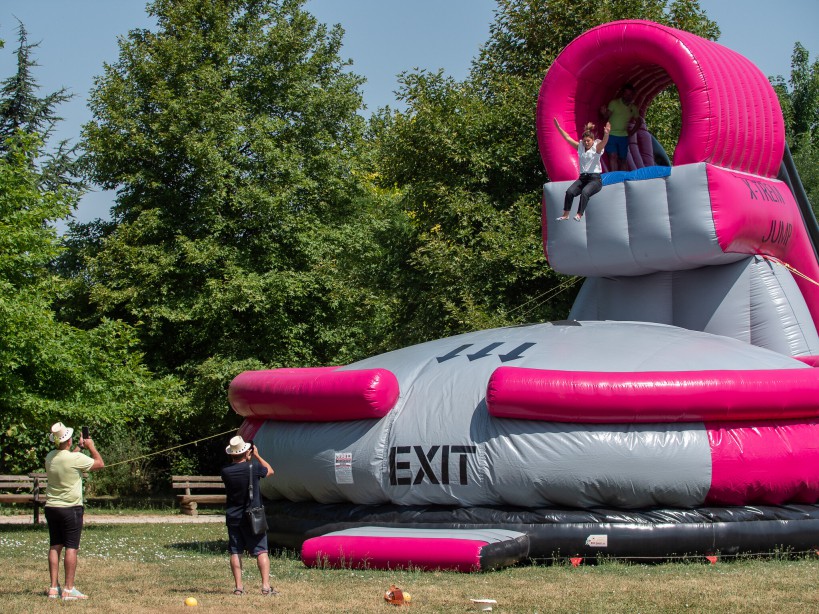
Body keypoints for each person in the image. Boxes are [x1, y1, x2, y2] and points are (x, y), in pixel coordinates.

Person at [44, 422, 105, 601]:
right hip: (71, 508)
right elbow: (99, 464)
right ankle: (69, 590)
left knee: (55, 545)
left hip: (52, 507)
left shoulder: (50, 456)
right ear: (69, 440)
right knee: (71, 547)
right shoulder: (74, 459)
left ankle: (53, 588)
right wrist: (91, 447)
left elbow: (68, 459)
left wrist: (79, 446)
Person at [220, 435, 277, 596]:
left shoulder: (225, 471)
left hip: (233, 516)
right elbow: (270, 471)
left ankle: (239, 587)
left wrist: (247, 457)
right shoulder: (253, 467)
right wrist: (256, 455)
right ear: (246, 453)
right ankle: (265, 587)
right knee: (261, 550)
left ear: (231, 454)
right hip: (254, 516)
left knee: (235, 551)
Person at [553, 118, 610, 221]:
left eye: (588, 141)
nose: (586, 143)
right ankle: (566, 214)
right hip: (583, 178)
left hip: (595, 180)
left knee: (585, 192)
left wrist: (606, 134)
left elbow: (604, 142)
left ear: (593, 140)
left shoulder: (596, 148)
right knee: (569, 192)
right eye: (585, 141)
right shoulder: (580, 147)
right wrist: (558, 128)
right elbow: (567, 138)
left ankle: (579, 214)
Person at [599, 83, 640, 171]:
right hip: (611, 134)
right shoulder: (614, 103)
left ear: (633, 95)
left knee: (623, 159)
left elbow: (638, 122)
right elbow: (606, 116)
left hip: (623, 136)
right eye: (626, 94)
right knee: (613, 156)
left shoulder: (633, 108)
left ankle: (623, 178)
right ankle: (615, 178)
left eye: (630, 95)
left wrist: (632, 132)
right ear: (623, 94)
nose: (628, 96)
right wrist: (603, 113)